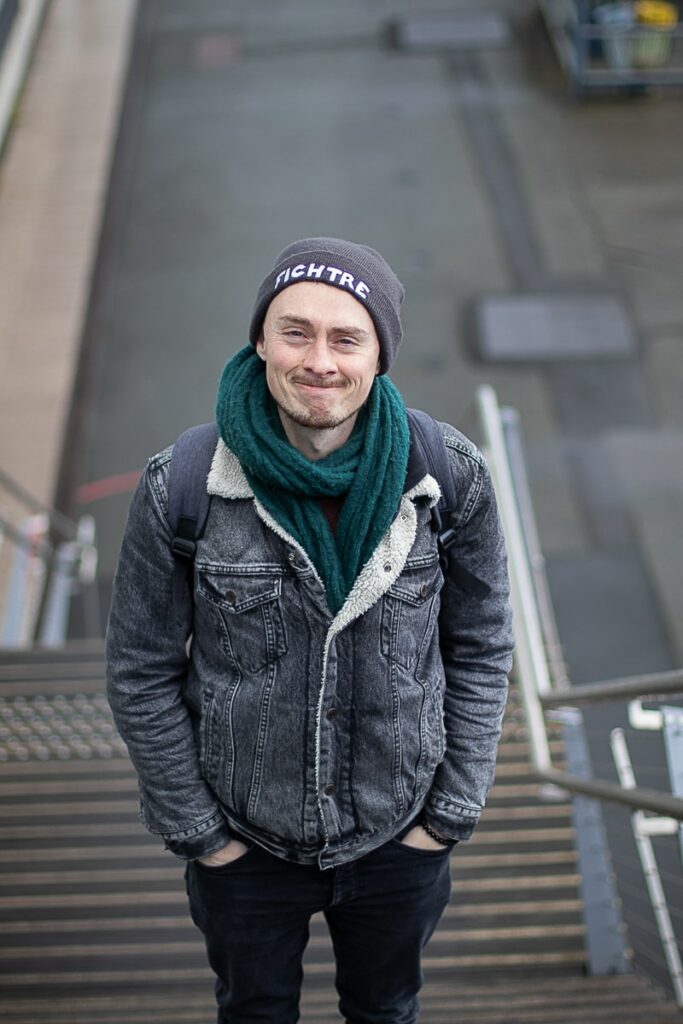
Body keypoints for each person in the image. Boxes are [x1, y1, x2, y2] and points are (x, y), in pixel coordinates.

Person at [105, 237, 514, 1024]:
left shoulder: (445, 477)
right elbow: (139, 671)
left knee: (386, 1008)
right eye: (295, 332)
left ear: (378, 357)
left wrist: (448, 814)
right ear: (260, 339)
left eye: (345, 338)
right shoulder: (184, 486)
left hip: (401, 834)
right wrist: (201, 835)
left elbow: (482, 644)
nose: (318, 360)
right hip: (244, 846)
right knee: (254, 1010)